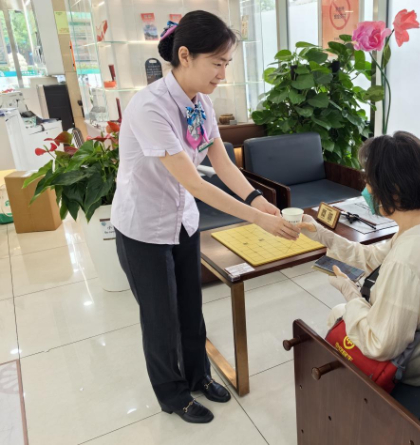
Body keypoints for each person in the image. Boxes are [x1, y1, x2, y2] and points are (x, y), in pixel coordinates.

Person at [111, 11, 299, 424]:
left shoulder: (202, 102)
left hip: (183, 220)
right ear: (185, 56)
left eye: (227, 63)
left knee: (190, 308)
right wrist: (258, 220)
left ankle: (198, 376)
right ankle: (173, 394)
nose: (223, 74)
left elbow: (222, 160)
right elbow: (195, 181)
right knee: (160, 318)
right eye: (217, 63)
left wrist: (257, 199)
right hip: (144, 227)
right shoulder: (150, 107)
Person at [299, 131, 420, 387]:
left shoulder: (406, 260)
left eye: (369, 182)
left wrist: (351, 294)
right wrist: (321, 234)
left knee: (339, 313)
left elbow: (379, 345)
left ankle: (347, 397)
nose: (365, 191)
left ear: (394, 189)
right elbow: (373, 257)